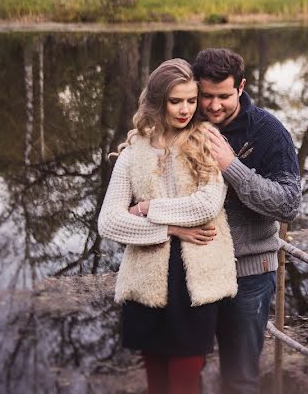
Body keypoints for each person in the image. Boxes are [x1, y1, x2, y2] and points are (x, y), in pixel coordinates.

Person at [98, 59, 238, 394]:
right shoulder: (134, 152)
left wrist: (147, 208)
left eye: (192, 100)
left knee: (185, 382)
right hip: (147, 280)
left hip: (195, 284)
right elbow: (109, 221)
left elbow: (206, 205)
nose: (186, 109)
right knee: (156, 383)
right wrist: (171, 230)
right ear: (159, 101)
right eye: (176, 101)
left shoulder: (206, 140)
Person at [191, 48, 301, 394]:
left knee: (239, 379)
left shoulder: (269, 132)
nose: (213, 105)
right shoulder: (182, 119)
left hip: (249, 273)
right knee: (186, 371)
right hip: (192, 269)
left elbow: (288, 205)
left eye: (223, 96)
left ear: (241, 87)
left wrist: (231, 167)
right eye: (206, 96)